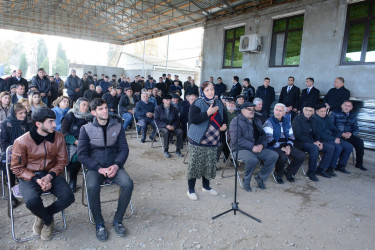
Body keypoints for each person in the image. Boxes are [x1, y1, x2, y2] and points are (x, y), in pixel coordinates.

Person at [11, 107, 74, 241]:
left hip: (51, 173)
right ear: (38, 124)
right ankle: (47, 220)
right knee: (32, 201)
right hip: (29, 176)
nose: (54, 125)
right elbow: (17, 168)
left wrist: (50, 176)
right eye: (50, 122)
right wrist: (35, 179)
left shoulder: (58, 137)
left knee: (68, 197)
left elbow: (62, 161)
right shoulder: (21, 141)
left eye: (54, 121)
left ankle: (43, 215)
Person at [77, 98, 133, 241]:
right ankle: (99, 223)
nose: (105, 111)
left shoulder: (117, 126)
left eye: (106, 107)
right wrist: (98, 168)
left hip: (114, 165)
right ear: (93, 112)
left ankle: (118, 220)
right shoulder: (86, 129)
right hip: (96, 168)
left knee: (128, 183)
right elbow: (82, 155)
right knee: (92, 186)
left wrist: (116, 165)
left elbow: (124, 150)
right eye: (101, 109)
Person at [186, 82, 227, 200]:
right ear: (203, 91)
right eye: (207, 90)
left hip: (213, 140)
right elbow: (193, 119)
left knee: (209, 163)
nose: (210, 92)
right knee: (195, 164)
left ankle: (206, 186)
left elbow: (223, 118)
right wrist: (207, 113)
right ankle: (191, 190)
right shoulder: (198, 102)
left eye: (212, 89)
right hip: (198, 140)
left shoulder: (218, 103)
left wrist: (224, 126)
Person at [229, 102, 278, 191]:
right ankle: (246, 181)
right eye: (249, 109)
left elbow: (264, 136)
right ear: (243, 110)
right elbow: (236, 140)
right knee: (252, 160)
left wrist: (261, 145)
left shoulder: (257, 120)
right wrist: (252, 146)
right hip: (240, 149)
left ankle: (261, 177)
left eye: (253, 109)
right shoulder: (235, 121)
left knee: (273, 155)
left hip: (256, 148)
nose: (252, 111)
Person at [263, 103, 305, 184]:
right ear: (273, 111)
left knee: (301, 155)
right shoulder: (269, 122)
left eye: (280, 111)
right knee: (282, 156)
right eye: (276, 110)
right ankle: (278, 173)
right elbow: (269, 139)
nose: (278, 112)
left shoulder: (287, 122)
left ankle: (289, 171)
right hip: (272, 146)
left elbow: (291, 136)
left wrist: (289, 146)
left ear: (284, 113)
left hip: (285, 145)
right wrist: (282, 147)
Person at [292, 103, 334, 181]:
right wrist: (313, 142)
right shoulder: (297, 119)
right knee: (314, 148)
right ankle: (311, 172)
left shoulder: (313, 120)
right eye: (306, 110)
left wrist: (319, 141)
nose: (308, 112)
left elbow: (316, 133)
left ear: (313, 112)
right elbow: (298, 135)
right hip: (300, 143)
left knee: (330, 147)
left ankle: (320, 169)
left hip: (312, 142)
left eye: (310, 110)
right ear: (303, 110)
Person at [1, 103, 32, 208]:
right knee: (9, 169)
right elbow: (4, 142)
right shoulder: (6, 123)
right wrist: (15, 151)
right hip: (12, 153)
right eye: (20, 113)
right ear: (14, 114)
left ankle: (28, 191)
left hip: (27, 152)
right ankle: (12, 196)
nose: (24, 115)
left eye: (25, 112)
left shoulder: (28, 121)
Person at [61, 98, 92, 192]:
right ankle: (73, 180)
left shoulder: (90, 116)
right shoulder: (70, 116)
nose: (86, 107)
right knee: (77, 156)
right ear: (78, 105)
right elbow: (63, 132)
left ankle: (97, 177)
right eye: (84, 105)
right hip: (73, 142)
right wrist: (76, 141)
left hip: (88, 142)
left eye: (87, 105)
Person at [314, 104, 354, 176]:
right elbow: (321, 135)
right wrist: (334, 139)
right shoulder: (315, 119)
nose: (324, 113)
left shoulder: (326, 118)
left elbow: (334, 129)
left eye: (325, 111)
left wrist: (338, 136)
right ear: (316, 112)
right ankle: (327, 168)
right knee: (338, 147)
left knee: (349, 146)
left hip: (332, 138)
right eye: (321, 111)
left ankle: (341, 166)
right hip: (323, 139)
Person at [330, 100, 366, 171]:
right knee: (346, 146)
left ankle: (359, 164)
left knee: (360, 142)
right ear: (341, 106)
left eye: (349, 106)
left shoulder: (353, 115)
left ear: (351, 108)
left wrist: (351, 134)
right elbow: (331, 126)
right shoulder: (334, 113)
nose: (346, 107)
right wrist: (341, 133)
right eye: (345, 105)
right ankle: (340, 165)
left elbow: (356, 128)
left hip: (348, 135)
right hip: (337, 134)